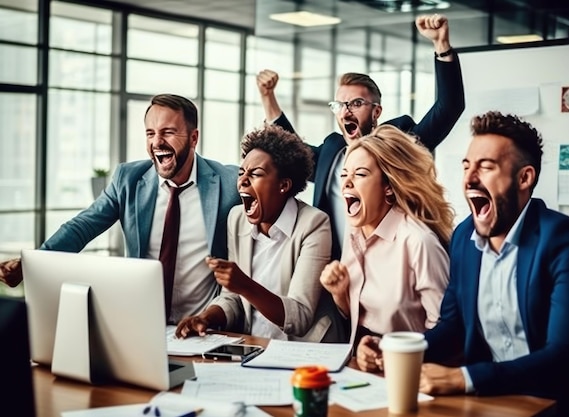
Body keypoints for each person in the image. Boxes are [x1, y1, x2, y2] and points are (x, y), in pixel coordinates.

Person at [356, 111, 569, 411]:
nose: (469, 179)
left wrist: (464, 378)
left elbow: (562, 356)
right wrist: (393, 349)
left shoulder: (563, 240)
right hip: (483, 401)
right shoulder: (464, 238)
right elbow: (452, 327)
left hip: (548, 403)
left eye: (486, 167)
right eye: (466, 166)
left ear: (524, 178)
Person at [0, 94, 241, 324]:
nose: (157, 142)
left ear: (193, 137)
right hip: (140, 326)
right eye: (150, 133)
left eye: (168, 132)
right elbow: (82, 226)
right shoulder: (129, 179)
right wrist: (32, 264)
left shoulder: (228, 182)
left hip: (204, 328)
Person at [257, 13, 465, 259]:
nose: (346, 111)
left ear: (376, 111)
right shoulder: (332, 150)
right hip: (335, 270)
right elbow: (290, 148)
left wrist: (441, 46)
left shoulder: (398, 143)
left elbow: (448, 108)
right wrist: (268, 98)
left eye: (356, 103)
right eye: (340, 104)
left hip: (391, 262)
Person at [175, 124, 345, 342]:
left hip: (305, 351)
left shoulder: (314, 224)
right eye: (241, 172)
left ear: (283, 185)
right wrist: (205, 318)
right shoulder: (237, 218)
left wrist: (244, 284)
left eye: (255, 174)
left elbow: (300, 317)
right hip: (254, 346)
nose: (243, 180)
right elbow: (233, 298)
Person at [320, 124, 453, 349]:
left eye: (360, 174)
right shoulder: (354, 232)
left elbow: (445, 333)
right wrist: (340, 294)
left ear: (388, 187)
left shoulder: (419, 242)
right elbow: (358, 319)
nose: (347, 183)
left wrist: (388, 356)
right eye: (344, 174)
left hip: (407, 368)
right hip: (358, 363)